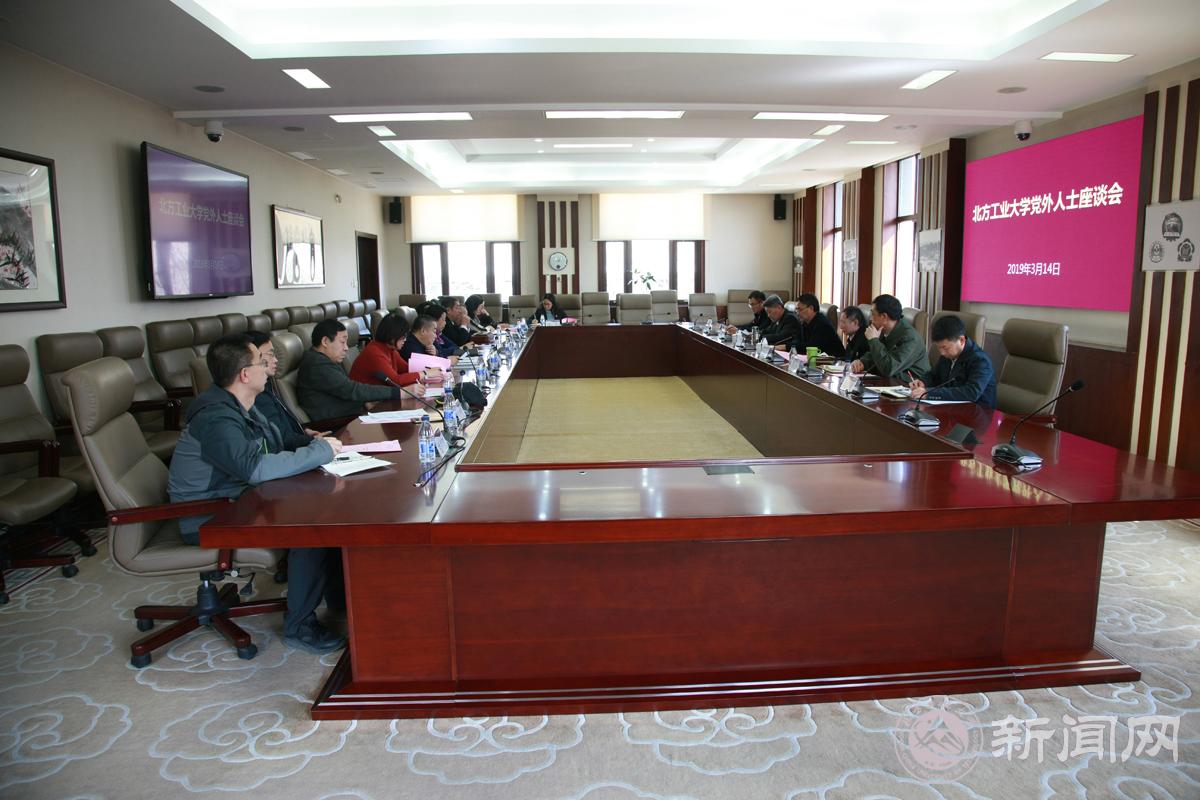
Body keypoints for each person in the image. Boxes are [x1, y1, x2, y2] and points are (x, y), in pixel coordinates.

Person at [167, 334, 346, 654]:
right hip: (208, 516)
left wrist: (314, 445)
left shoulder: (240, 405)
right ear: (244, 374)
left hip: (239, 498)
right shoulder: (216, 417)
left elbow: (274, 445)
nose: (268, 367)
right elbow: (254, 469)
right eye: (262, 362)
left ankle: (339, 597)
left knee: (329, 506)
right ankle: (299, 627)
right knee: (311, 529)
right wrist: (318, 453)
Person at [297, 319, 405, 420]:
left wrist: (364, 402)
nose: (346, 348)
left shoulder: (323, 359)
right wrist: (398, 392)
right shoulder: (317, 364)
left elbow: (342, 390)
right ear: (325, 341)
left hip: (348, 415)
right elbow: (352, 390)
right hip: (334, 424)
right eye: (342, 342)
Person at [243, 330, 319, 450]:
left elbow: (283, 424)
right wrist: (316, 441)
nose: (276, 360)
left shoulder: (267, 385)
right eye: (270, 354)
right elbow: (282, 440)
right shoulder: (257, 395)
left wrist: (303, 431)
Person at [909, 314, 997, 407]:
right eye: (939, 347)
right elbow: (934, 375)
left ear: (961, 340)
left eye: (945, 348)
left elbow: (971, 392)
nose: (942, 352)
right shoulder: (948, 354)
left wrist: (928, 393)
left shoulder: (980, 360)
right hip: (950, 407)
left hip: (977, 411)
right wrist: (923, 382)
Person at [849, 294, 930, 381]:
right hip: (890, 381)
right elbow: (877, 355)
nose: (871, 319)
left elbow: (888, 368)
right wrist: (862, 362)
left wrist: (874, 340)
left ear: (884, 317)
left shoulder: (910, 338)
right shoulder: (884, 330)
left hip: (910, 384)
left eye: (873, 314)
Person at [348, 313, 435, 389]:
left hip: (382, 395)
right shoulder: (374, 353)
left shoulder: (390, 349)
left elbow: (407, 369)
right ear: (393, 335)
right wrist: (425, 373)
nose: (405, 339)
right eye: (403, 336)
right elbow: (396, 380)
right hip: (367, 400)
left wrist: (432, 370)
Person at [790, 293, 846, 358]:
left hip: (835, 361)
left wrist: (786, 347)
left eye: (799, 309)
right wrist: (789, 346)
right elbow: (798, 340)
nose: (797, 313)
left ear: (811, 308)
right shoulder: (805, 322)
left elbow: (811, 347)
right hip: (816, 360)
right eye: (796, 309)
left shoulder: (823, 325)